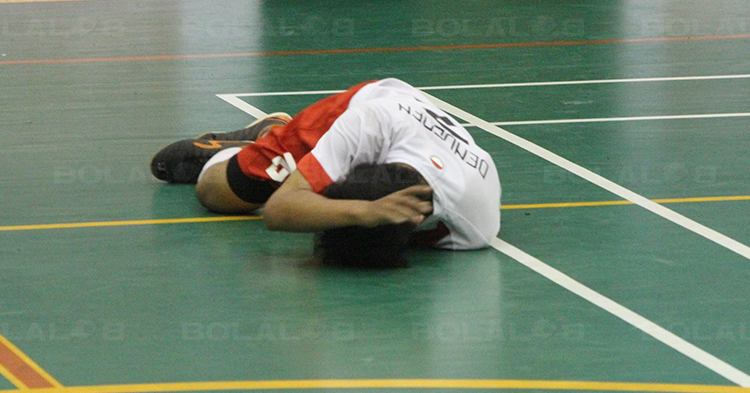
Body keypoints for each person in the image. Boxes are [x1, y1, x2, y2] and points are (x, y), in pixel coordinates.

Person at [151, 78, 501, 267]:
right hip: (367, 108)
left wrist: (361, 218)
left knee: (353, 238)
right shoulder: (368, 121)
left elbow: (375, 241)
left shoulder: (477, 224)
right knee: (216, 192)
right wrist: (362, 211)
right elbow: (277, 210)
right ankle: (266, 136)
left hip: (409, 133)